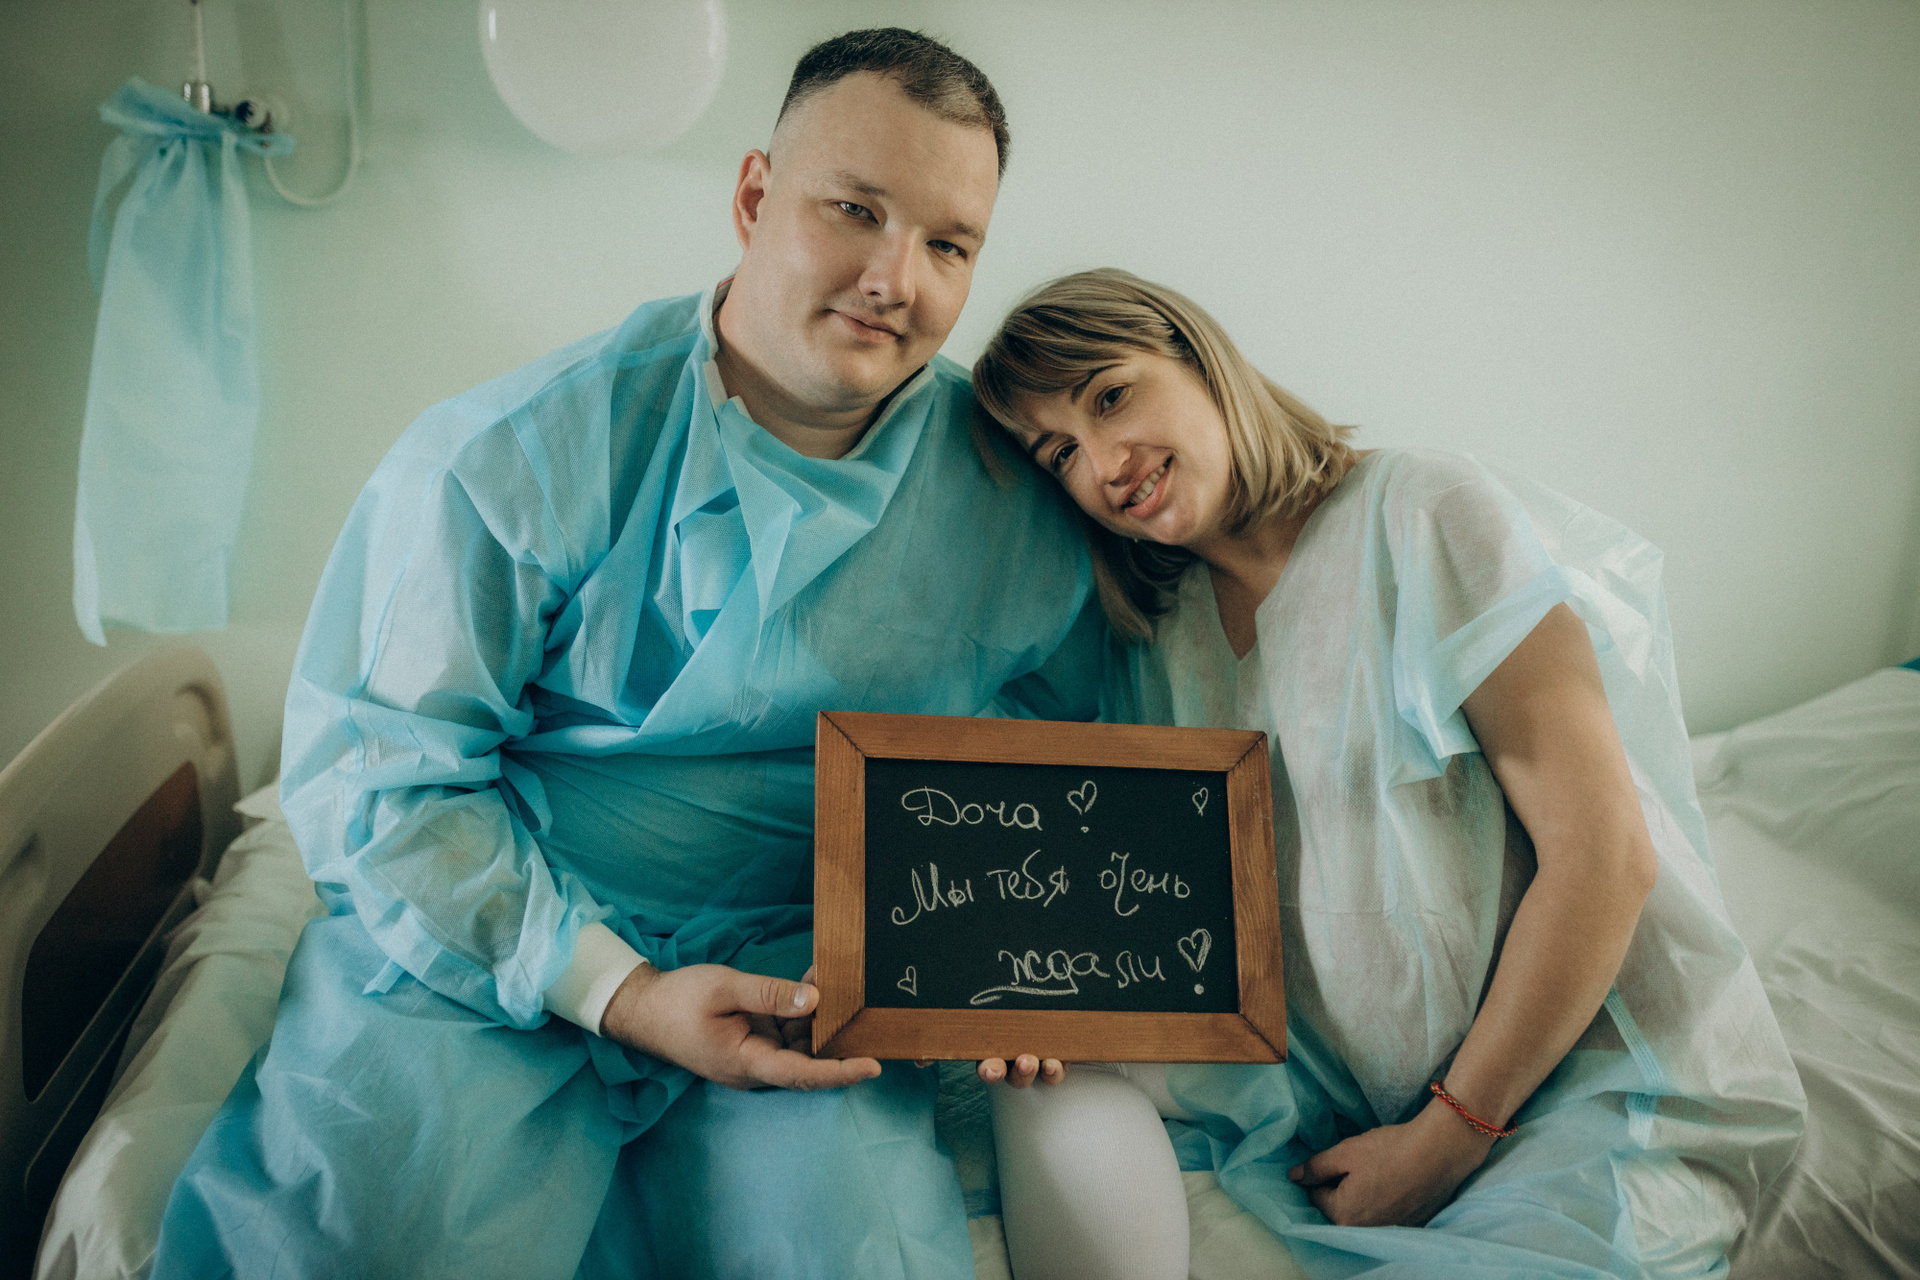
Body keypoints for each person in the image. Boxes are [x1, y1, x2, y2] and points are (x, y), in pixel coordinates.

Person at [151, 30, 1101, 1280]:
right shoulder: (515, 456)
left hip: (814, 973)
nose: (895, 278)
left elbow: (1072, 764)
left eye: (949, 245)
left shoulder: (1012, 494)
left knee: (857, 1249)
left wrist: (1003, 954)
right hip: (503, 935)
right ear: (754, 196)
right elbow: (386, 784)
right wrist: (621, 987)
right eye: (856, 211)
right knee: (371, 1238)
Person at [967, 268, 1807, 1280]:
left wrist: (1448, 1136)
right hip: (1350, 1103)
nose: (1104, 464)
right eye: (1059, 452)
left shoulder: (1421, 512)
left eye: (1110, 396)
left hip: (1588, 1080)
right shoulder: (1157, 639)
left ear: (1199, 359)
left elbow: (1607, 858)